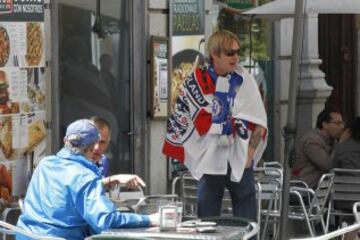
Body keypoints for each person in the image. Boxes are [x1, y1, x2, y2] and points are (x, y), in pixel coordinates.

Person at [162, 30, 268, 221]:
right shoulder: (194, 82)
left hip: (240, 157)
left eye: (237, 52)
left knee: (247, 222)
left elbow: (259, 121)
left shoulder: (246, 80)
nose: (236, 57)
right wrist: (197, 152)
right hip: (209, 161)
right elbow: (181, 117)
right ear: (214, 54)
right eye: (230, 53)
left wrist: (250, 155)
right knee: (207, 222)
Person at [16, 119, 158, 240]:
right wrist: (149, 219)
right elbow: (105, 221)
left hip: (25, 235)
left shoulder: (44, 164)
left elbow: (68, 190)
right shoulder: (85, 176)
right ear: (94, 146)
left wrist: (109, 180)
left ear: (65, 140)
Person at [292, 108, 344, 188]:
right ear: (325, 125)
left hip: (322, 187)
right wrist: (342, 143)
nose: (341, 127)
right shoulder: (312, 141)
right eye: (337, 123)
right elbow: (329, 165)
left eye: (342, 123)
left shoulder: (332, 140)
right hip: (305, 189)